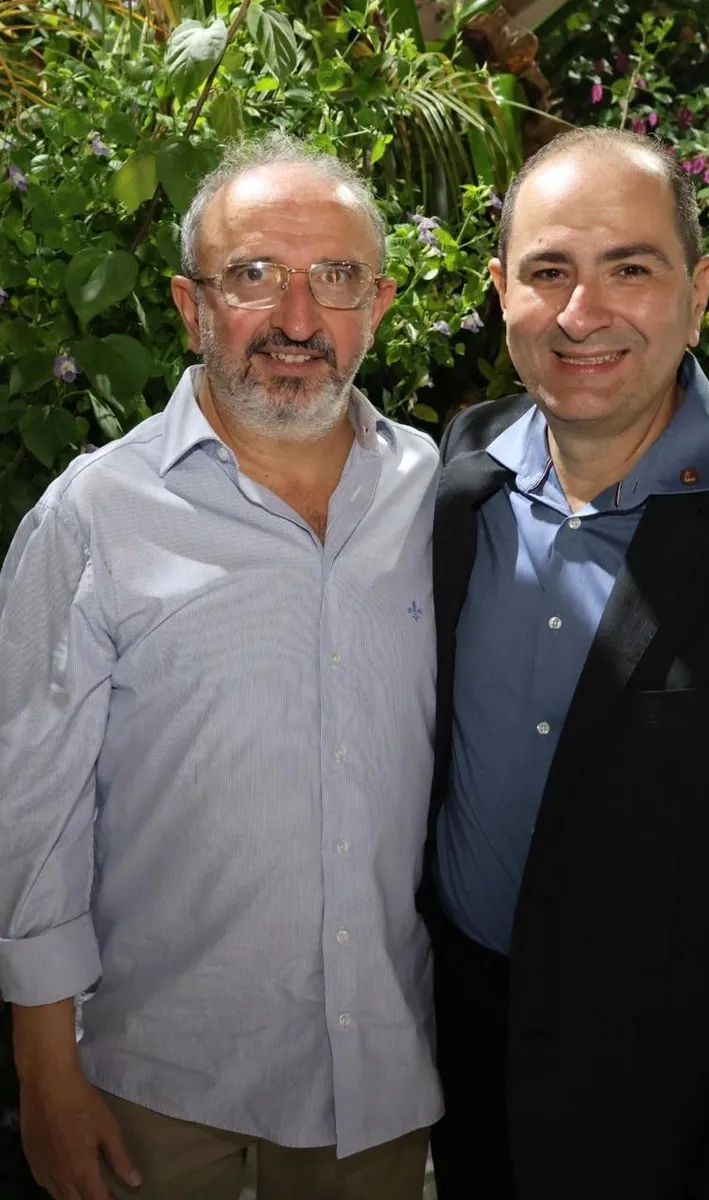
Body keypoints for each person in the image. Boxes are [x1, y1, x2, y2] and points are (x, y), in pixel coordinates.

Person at [0, 133, 442, 1200]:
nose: (296, 319)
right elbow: (31, 806)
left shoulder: (433, 492)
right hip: (154, 1082)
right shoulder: (96, 512)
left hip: (376, 1077)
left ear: (378, 305)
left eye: (333, 277)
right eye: (252, 275)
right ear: (189, 304)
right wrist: (44, 1071)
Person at [424, 125, 709, 1200]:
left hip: (673, 1098)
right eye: (548, 272)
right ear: (498, 291)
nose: (583, 314)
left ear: (696, 292)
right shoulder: (454, 476)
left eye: (630, 269)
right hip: (459, 1062)